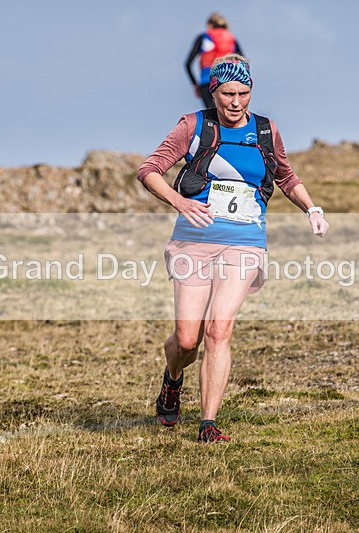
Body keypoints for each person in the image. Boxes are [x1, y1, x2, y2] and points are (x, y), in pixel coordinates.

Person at [137, 54, 328, 443]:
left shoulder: (265, 131)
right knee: (187, 339)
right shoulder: (194, 126)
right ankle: (173, 378)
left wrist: (312, 209)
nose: (236, 102)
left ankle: (208, 423)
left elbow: (286, 176)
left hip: (245, 241)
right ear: (214, 92)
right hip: (195, 239)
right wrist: (181, 201)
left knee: (219, 329)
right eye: (227, 94)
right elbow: (149, 170)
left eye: (243, 93)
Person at [185, 12, 243, 109]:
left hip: (207, 82)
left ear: (209, 25)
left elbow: (187, 64)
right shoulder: (232, 39)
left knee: (213, 115)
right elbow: (243, 63)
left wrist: (195, 84)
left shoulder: (203, 37)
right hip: (228, 80)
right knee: (229, 116)